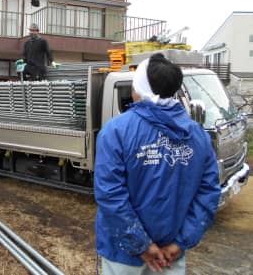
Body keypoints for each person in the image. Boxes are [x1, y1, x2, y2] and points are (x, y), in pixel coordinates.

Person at [94, 53, 221, 275]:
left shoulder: (116, 131)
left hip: (122, 254)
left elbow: (110, 194)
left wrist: (142, 245)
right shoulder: (197, 135)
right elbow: (209, 192)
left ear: (139, 89)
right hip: (170, 255)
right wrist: (180, 242)